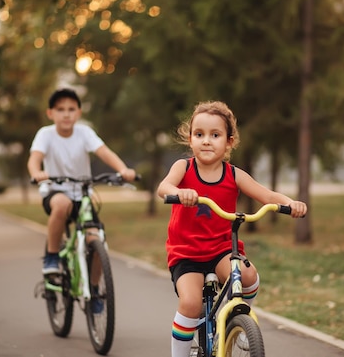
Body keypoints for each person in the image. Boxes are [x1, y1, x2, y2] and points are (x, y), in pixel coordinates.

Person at [156, 100, 308, 357]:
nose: (206, 141)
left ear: (229, 142)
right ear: (190, 139)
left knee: (248, 278)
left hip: (222, 249)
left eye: (215, 135)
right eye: (199, 134)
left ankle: (236, 321)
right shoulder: (183, 168)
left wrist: (290, 203)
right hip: (187, 253)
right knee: (191, 303)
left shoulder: (233, 174)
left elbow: (267, 195)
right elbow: (164, 187)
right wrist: (180, 193)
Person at [27, 88, 137, 276]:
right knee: (63, 204)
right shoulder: (45, 134)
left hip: (82, 194)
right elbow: (34, 158)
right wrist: (37, 173)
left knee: (96, 241)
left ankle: (94, 294)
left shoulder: (84, 132)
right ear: (50, 113)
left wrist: (123, 170)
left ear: (78, 112)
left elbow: (104, 152)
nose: (66, 114)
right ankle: (52, 255)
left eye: (71, 109)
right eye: (60, 109)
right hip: (55, 192)